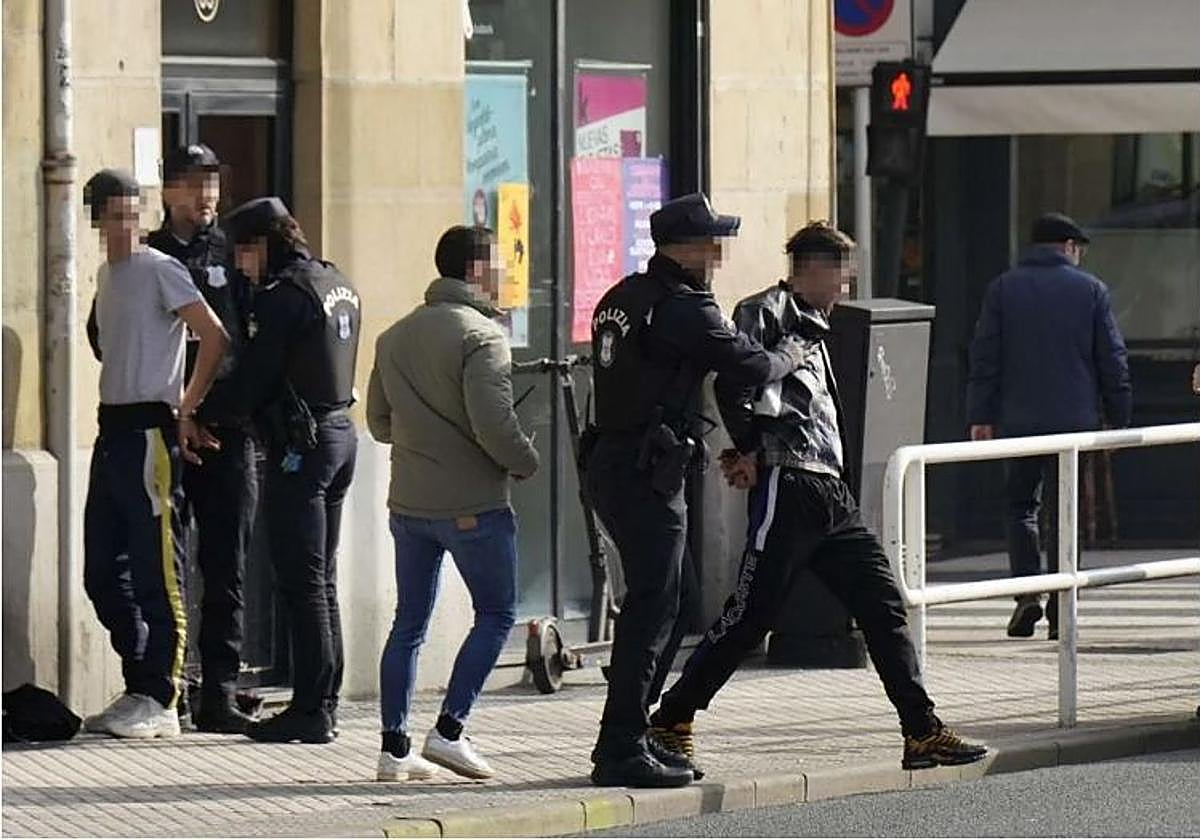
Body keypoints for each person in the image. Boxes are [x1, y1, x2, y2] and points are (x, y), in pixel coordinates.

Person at [647, 221, 989, 773]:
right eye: (843, 277)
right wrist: (751, 447)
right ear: (816, 269)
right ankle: (671, 718)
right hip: (789, 483)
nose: (845, 290)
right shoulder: (766, 311)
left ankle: (921, 730)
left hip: (830, 491)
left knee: (883, 604)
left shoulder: (817, 324)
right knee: (750, 615)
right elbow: (734, 381)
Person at [585, 192, 813, 788]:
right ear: (684, 249)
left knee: (679, 599)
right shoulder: (683, 307)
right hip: (647, 469)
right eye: (712, 244)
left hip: (616, 462)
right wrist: (790, 353)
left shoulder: (623, 297)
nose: (718, 255)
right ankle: (619, 746)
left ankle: (636, 731)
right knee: (654, 605)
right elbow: (751, 366)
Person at [366, 225, 539, 783]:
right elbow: (495, 424)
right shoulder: (482, 336)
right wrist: (526, 460)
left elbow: (378, 422)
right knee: (496, 614)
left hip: (409, 504)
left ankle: (394, 749)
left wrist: (423, 438)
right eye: (499, 264)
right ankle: (449, 730)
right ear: (476, 269)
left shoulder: (393, 336)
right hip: (473, 503)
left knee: (408, 622)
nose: (505, 274)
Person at [80, 168, 229, 739]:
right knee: (101, 570)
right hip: (111, 429)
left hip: (149, 427)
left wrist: (187, 406)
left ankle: (164, 695)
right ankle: (141, 677)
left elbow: (213, 334)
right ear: (97, 221)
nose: (124, 226)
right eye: (113, 216)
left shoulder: (160, 269)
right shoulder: (107, 275)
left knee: (157, 568)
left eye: (131, 214)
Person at [209, 197, 361, 744]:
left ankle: (311, 709)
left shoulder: (284, 297)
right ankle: (325, 701)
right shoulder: (336, 282)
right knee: (322, 579)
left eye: (243, 253)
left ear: (264, 245)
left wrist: (201, 411)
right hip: (339, 435)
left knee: (302, 581)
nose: (240, 265)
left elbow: (256, 378)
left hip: (302, 448)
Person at [967, 212, 1131, 639]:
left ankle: (1027, 594)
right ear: (1070, 247)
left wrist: (981, 415)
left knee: (1021, 506)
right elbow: (1112, 360)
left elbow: (985, 356)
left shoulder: (1003, 288)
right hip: (1074, 422)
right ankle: (1062, 603)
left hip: (1018, 420)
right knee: (1065, 512)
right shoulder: (1091, 290)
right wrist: (1119, 418)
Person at [149, 145, 258, 733]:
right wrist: (176, 409)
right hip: (166, 431)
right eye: (194, 184)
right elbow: (110, 335)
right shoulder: (149, 255)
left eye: (212, 182)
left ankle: (219, 690)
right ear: (169, 191)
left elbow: (248, 338)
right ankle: (167, 688)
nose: (206, 196)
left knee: (226, 566)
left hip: (227, 433)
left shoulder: (231, 250)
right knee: (162, 567)